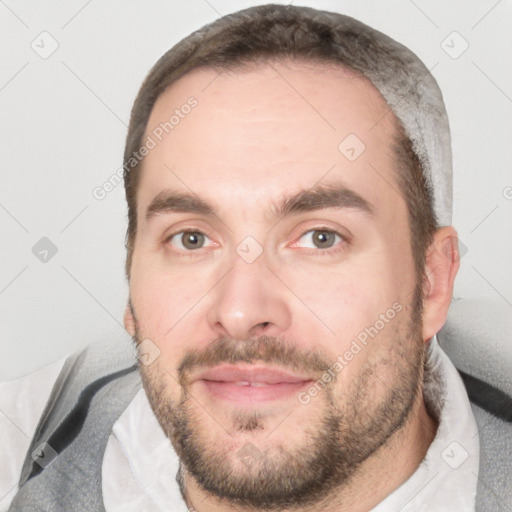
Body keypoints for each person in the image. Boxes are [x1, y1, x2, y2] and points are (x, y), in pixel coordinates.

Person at [2, 4, 511, 511]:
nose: (241, 312)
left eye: (319, 238)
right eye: (192, 239)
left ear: (432, 284)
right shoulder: (20, 452)